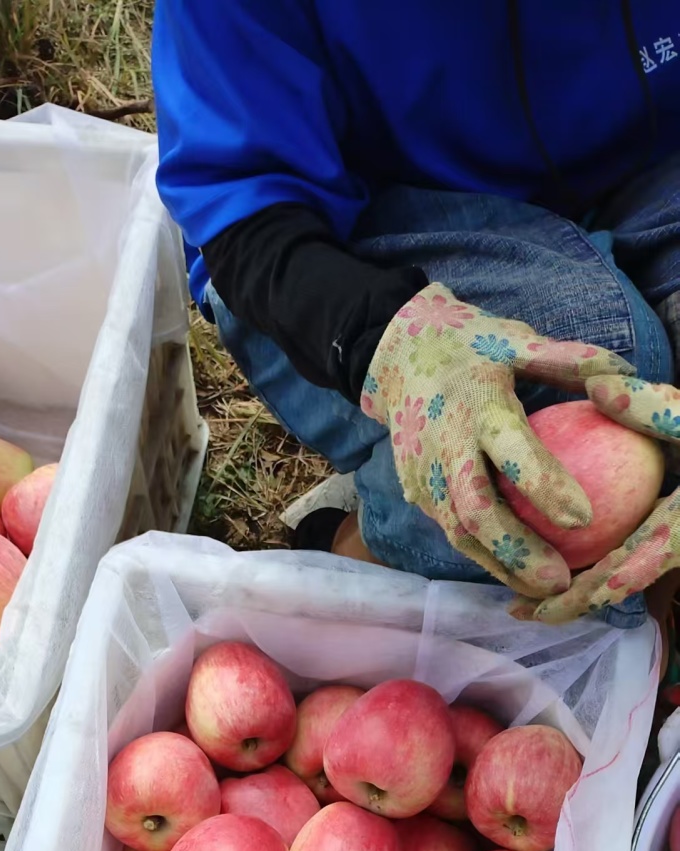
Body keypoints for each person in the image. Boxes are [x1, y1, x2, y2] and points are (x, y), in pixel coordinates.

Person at [152, 3, 680, 627]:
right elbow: (243, 207)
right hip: (360, 220)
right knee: (558, 423)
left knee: (652, 425)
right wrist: (388, 342)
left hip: (650, 168)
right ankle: (363, 545)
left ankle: (646, 619)